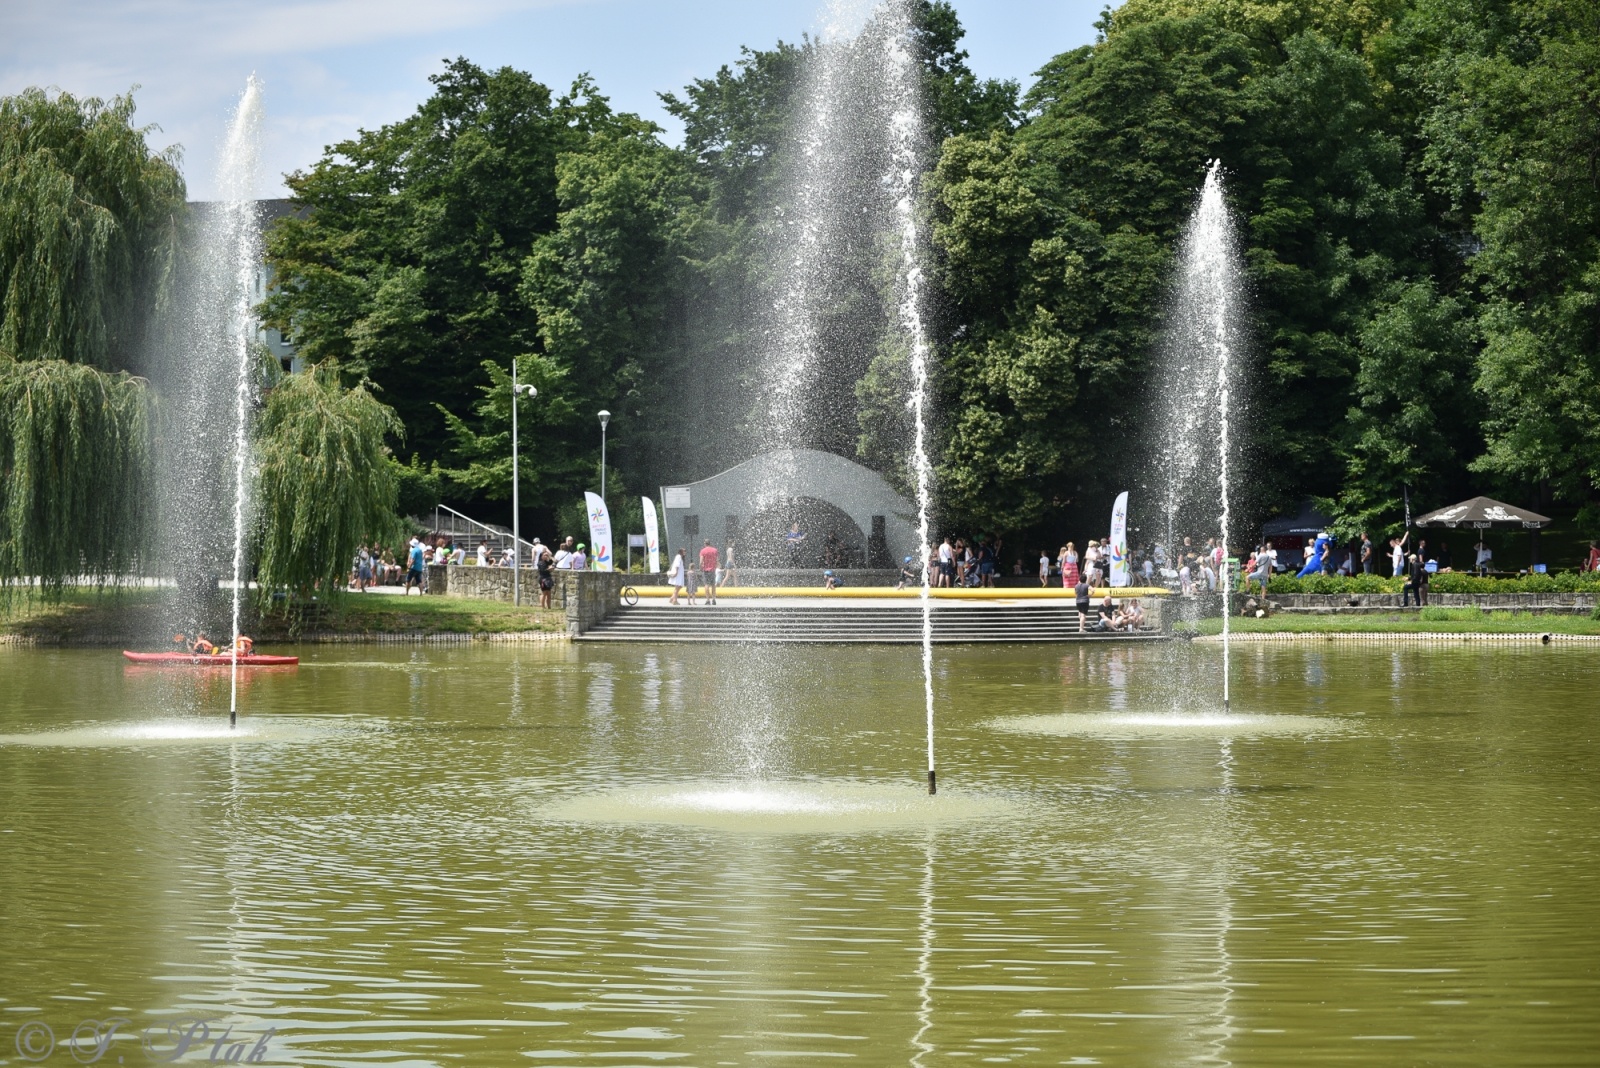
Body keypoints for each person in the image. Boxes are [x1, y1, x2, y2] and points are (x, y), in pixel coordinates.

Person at [699, 539, 720, 605]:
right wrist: (716, 566)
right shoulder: (715, 550)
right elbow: (717, 560)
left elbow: (701, 561)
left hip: (705, 570)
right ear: (710, 543)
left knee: (706, 585)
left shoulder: (703, 551)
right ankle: (713, 599)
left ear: (705, 544)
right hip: (713, 570)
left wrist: (700, 567)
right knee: (713, 585)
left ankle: (708, 600)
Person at [536, 545, 555, 610]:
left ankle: (549, 607)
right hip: (543, 579)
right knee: (544, 593)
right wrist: (549, 569)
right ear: (541, 556)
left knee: (549, 593)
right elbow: (543, 570)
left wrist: (549, 555)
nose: (546, 556)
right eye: (545, 555)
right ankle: (542, 606)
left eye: (546, 555)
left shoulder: (546, 562)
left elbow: (551, 561)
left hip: (548, 578)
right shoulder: (540, 563)